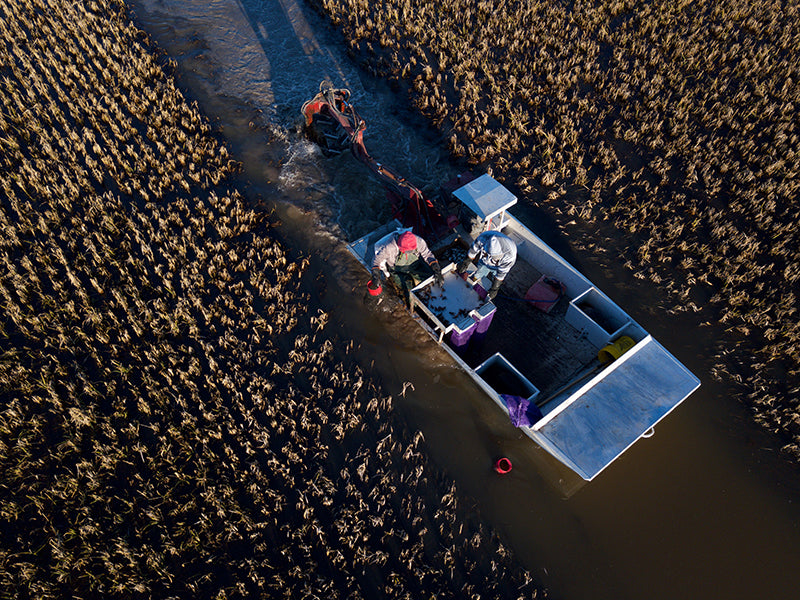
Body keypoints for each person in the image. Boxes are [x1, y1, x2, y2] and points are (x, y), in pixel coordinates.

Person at [370, 230, 443, 305]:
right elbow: (376, 260)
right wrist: (376, 274)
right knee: (409, 292)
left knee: (429, 282)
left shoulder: (419, 241)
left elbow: (427, 255)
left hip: (415, 266)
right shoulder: (390, 247)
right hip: (397, 270)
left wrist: (436, 269)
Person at [456, 231, 517, 300]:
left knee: (494, 279)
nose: (490, 258)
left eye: (494, 257)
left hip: (497, 267)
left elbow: (501, 273)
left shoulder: (510, 255)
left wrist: (495, 288)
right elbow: (473, 250)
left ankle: (490, 283)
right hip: (483, 261)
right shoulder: (483, 237)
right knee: (478, 273)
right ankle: (474, 283)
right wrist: (465, 262)